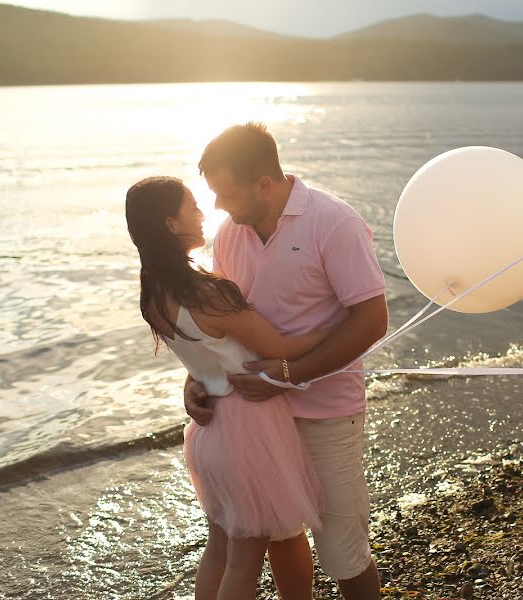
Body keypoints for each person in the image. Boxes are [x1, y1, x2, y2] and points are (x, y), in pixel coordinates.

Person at [184, 122, 388, 600]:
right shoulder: (230, 234)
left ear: (264, 184)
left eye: (226, 193)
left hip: (327, 412)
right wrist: (199, 377)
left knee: (342, 552)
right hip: (257, 416)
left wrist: (292, 376)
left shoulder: (333, 222)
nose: (217, 205)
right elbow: (223, 324)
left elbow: (371, 320)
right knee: (278, 534)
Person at [125, 176, 328, 600]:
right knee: (245, 557)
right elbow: (282, 347)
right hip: (248, 428)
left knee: (221, 549)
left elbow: (204, 355)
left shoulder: (154, 292)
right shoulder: (206, 291)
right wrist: (341, 323)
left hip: (211, 430)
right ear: (170, 223)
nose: (203, 214)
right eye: (192, 208)